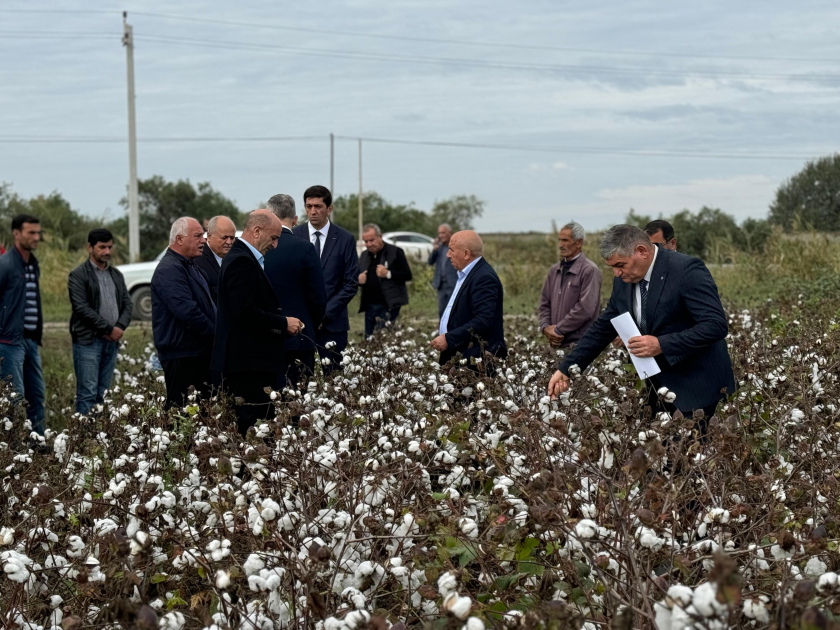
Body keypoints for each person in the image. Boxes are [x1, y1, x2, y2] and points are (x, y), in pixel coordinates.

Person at [548, 225, 735, 427]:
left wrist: (661, 344)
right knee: (657, 454)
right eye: (612, 266)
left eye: (620, 264)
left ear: (642, 251)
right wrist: (568, 368)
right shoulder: (624, 279)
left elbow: (715, 325)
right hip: (657, 387)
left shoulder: (686, 270)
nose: (617, 273)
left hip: (696, 386)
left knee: (688, 454)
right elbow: (604, 326)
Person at [212, 210, 303, 435]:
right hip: (249, 366)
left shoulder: (244, 258)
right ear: (256, 231)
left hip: (253, 363)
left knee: (260, 427)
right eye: (273, 238)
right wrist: (283, 324)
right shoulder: (241, 261)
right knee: (254, 429)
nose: (275, 245)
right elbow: (245, 313)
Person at [292, 185, 359, 375]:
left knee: (335, 381)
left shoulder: (345, 239)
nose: (313, 211)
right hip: (301, 324)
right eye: (309, 206)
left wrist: (325, 313)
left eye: (318, 206)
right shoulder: (294, 236)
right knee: (300, 380)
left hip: (332, 324)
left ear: (329, 209)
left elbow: (351, 283)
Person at [151, 217, 216, 410]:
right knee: (180, 413)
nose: (203, 240)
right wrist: (217, 334)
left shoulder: (189, 265)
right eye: (197, 236)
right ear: (179, 239)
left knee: (200, 412)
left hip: (196, 352)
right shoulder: (170, 269)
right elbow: (188, 312)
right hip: (182, 356)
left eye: (203, 236)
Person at [264, 194, 326, 391]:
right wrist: (309, 324)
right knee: (297, 401)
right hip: (299, 337)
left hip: (265, 336)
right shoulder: (305, 248)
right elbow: (318, 298)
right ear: (295, 219)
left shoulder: (258, 249)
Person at [68, 229, 133, 415]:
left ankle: (99, 437)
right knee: (87, 393)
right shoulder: (78, 275)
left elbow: (127, 304)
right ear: (90, 247)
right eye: (102, 247)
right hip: (88, 341)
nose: (107, 251)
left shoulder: (116, 274)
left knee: (103, 393)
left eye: (109, 247)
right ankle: (84, 438)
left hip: (111, 342)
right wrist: (108, 328)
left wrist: (119, 327)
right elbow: (81, 308)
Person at [430, 231, 507, 369]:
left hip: (473, 361)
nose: (448, 255)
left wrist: (449, 338)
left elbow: (483, 321)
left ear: (466, 254)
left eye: (451, 250)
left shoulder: (483, 278)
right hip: (460, 356)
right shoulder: (467, 274)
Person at [0, 215, 45, 434]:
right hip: (9, 341)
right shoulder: (6, 264)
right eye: (31, 233)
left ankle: (37, 439)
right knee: (15, 397)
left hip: (30, 340)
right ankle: (16, 448)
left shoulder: (32, 264)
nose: (36, 237)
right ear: (16, 234)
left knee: (36, 393)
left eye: (38, 233)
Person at [539, 222, 602, 349]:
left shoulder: (589, 270)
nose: (560, 245)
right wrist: (545, 327)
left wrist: (558, 330)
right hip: (556, 343)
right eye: (559, 240)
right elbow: (545, 303)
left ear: (578, 242)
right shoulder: (554, 270)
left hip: (579, 344)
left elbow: (585, 309)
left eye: (565, 240)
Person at [358, 223, 412, 337]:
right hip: (369, 305)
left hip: (388, 304)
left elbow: (407, 275)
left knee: (382, 338)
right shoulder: (364, 255)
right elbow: (357, 275)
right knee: (368, 337)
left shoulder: (395, 252)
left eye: (372, 240)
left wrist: (388, 274)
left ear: (380, 236)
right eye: (366, 241)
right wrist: (358, 279)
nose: (369, 244)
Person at [194, 215, 237, 302]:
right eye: (224, 237)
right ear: (209, 237)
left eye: (232, 238)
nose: (229, 242)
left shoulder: (235, 260)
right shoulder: (197, 262)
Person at [428, 223, 458, 319]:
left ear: (450, 233)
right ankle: (443, 332)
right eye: (439, 233)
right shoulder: (439, 247)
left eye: (443, 233)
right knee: (442, 311)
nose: (440, 235)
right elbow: (430, 262)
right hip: (441, 284)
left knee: (454, 310)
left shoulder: (456, 246)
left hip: (453, 283)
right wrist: (435, 249)